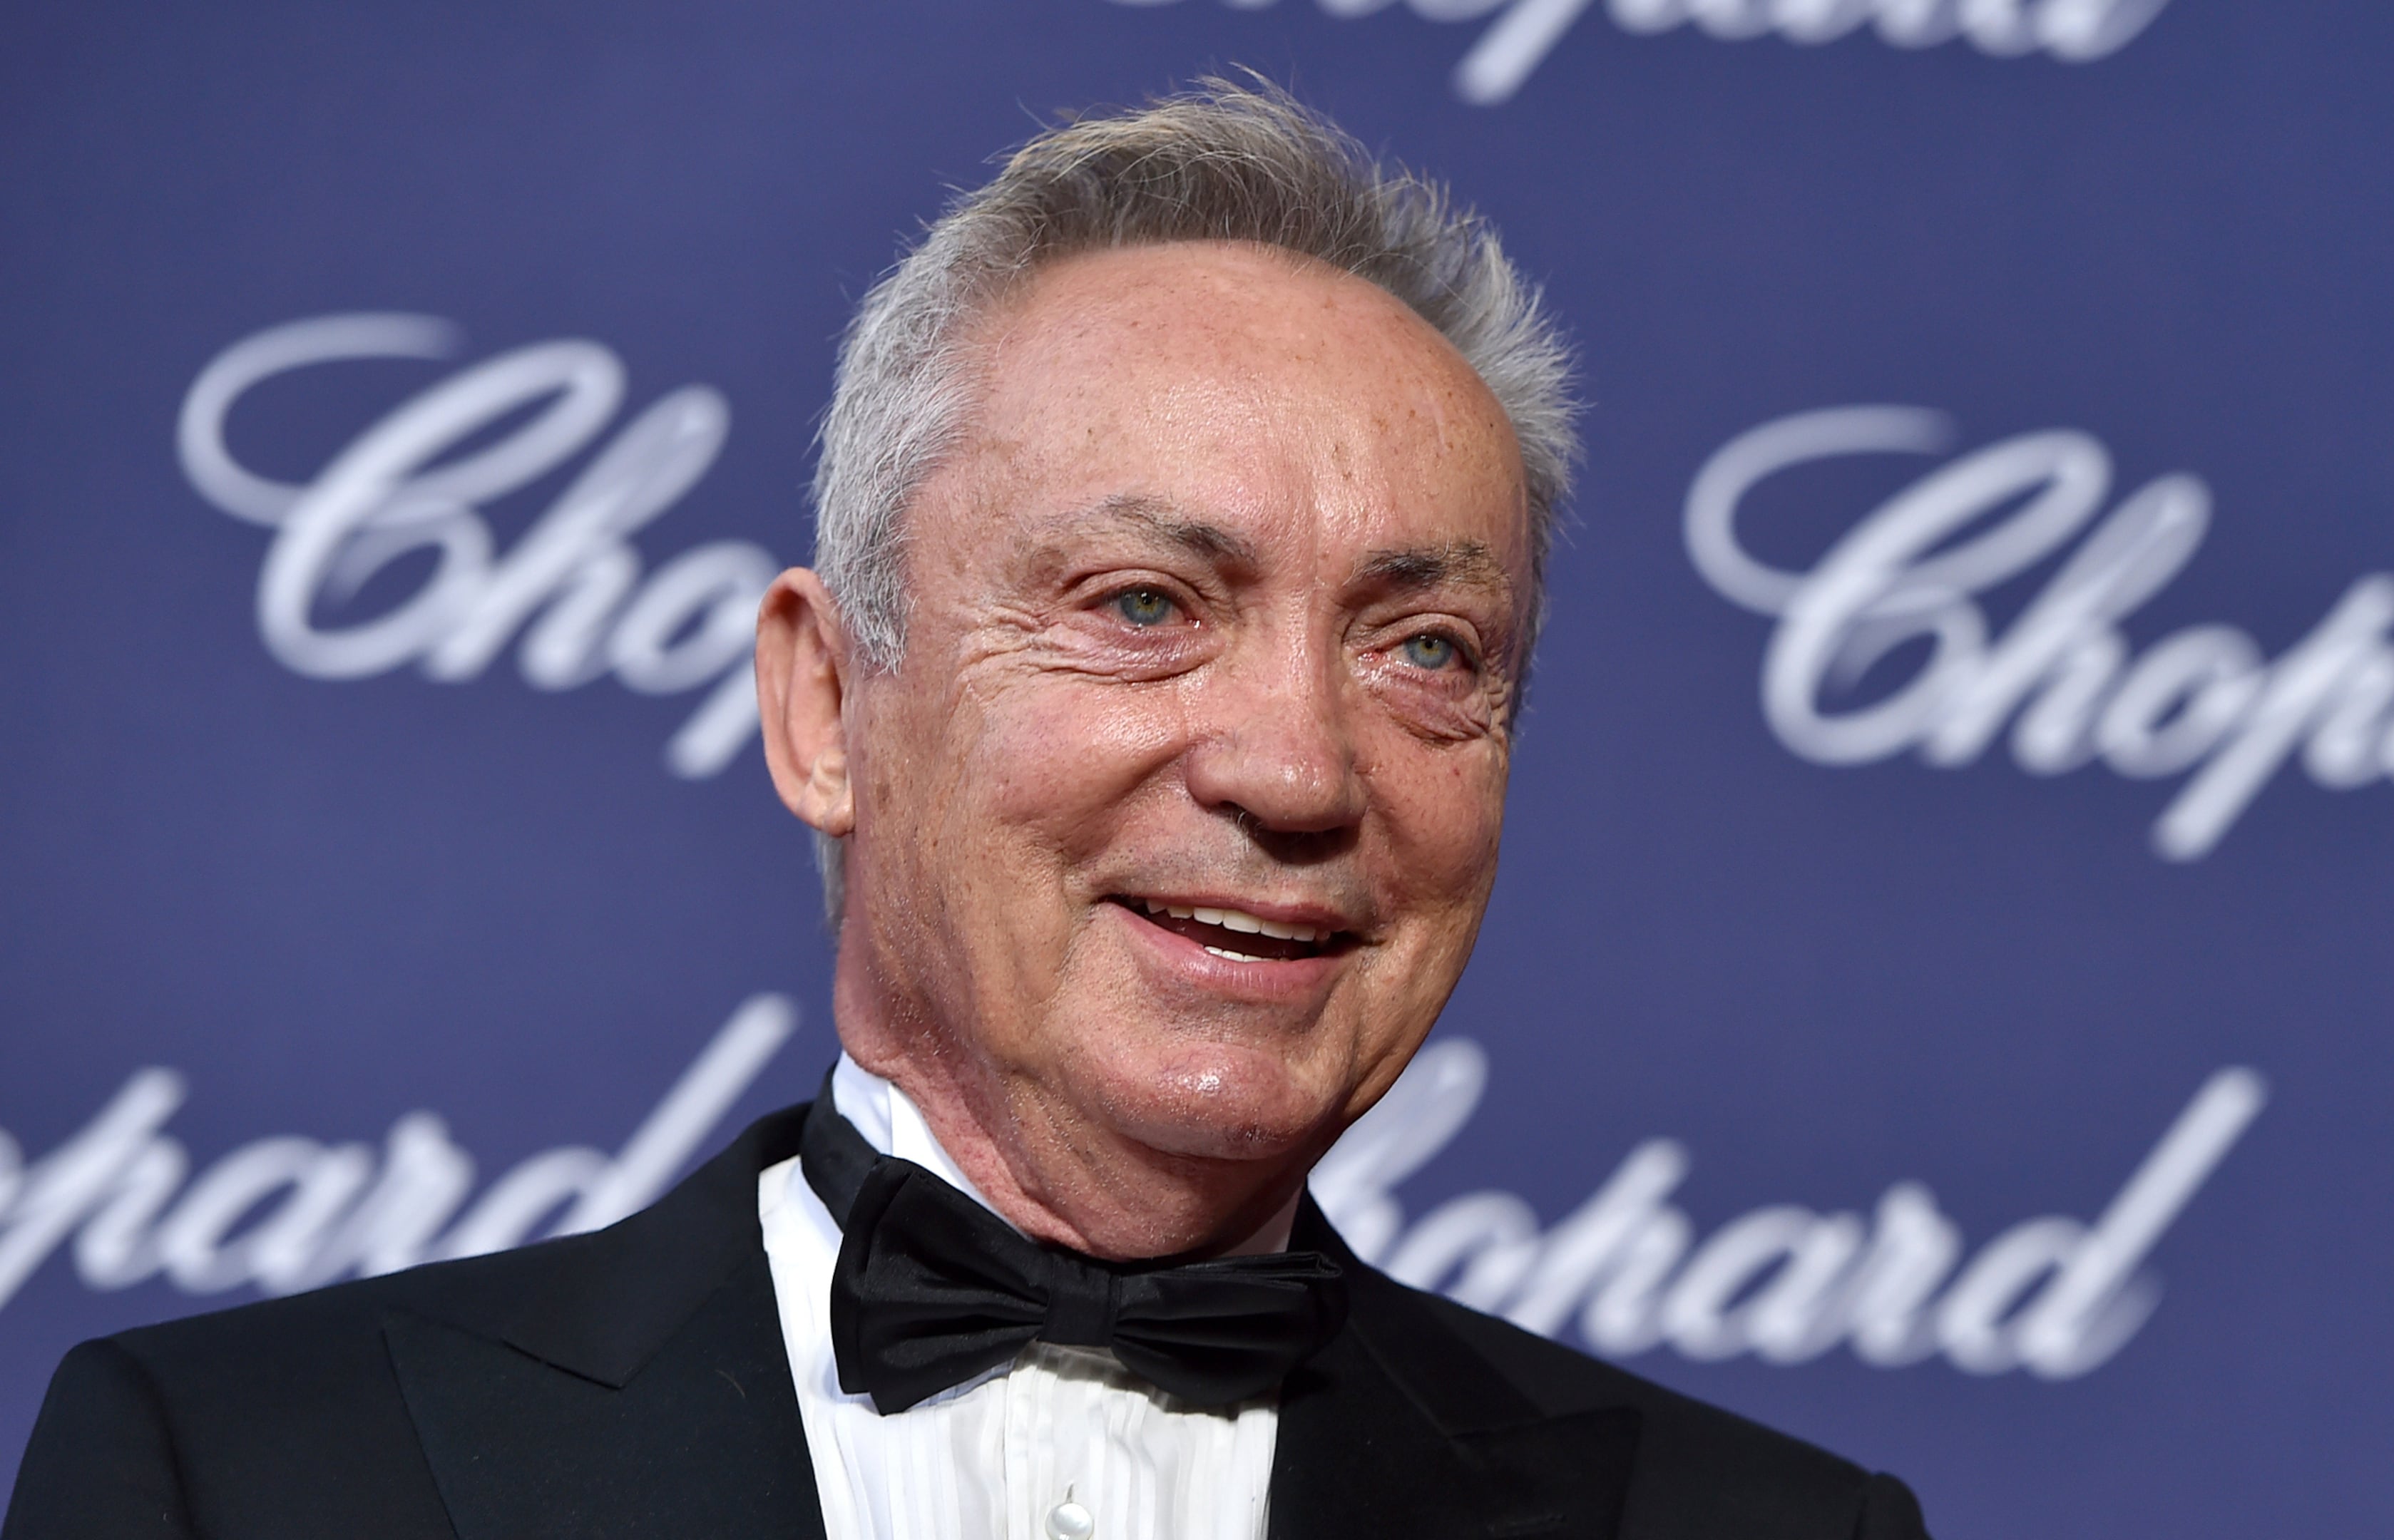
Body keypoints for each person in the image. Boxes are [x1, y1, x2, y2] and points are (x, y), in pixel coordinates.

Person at [4, 83, 1932, 1540]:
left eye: (1425, 648)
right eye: (1145, 607)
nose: (1296, 768)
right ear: (828, 705)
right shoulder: (247, 1477)